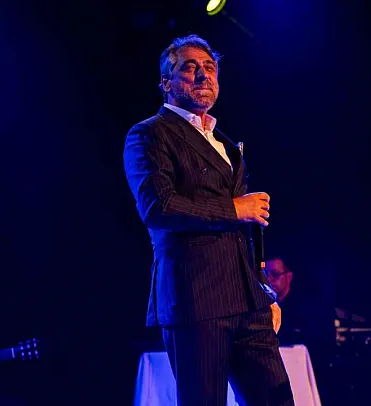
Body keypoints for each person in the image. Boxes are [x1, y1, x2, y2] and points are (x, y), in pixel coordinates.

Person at [123, 34, 294, 406]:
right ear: (166, 83)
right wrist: (234, 209)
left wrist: (263, 289)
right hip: (196, 299)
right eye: (189, 68)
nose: (203, 75)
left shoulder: (226, 143)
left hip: (248, 300)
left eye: (209, 68)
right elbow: (158, 207)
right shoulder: (149, 134)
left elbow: (244, 233)